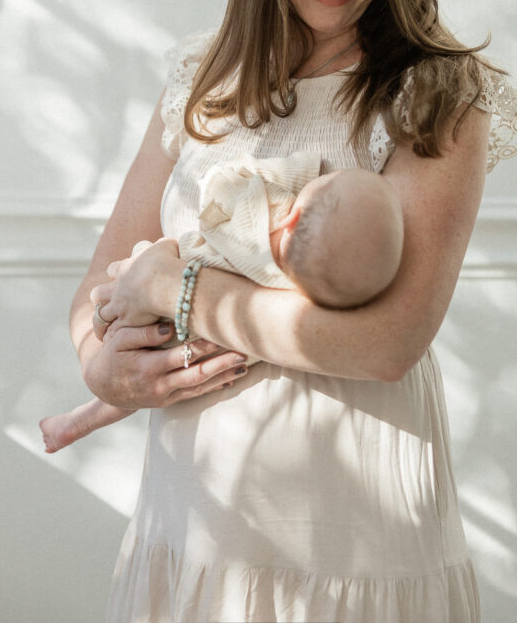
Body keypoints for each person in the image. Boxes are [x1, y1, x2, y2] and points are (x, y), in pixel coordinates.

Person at [70, 0, 517, 623]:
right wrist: (101, 363)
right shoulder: (200, 79)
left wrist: (178, 293)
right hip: (195, 517)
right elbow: (98, 282)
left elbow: (387, 343)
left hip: (352, 532)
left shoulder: (433, 94)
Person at [41, 154, 403, 453]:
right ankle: (81, 419)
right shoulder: (294, 291)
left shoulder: (258, 222)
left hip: (153, 306)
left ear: (292, 217)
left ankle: (79, 420)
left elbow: (228, 184)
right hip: (212, 355)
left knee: (141, 356)